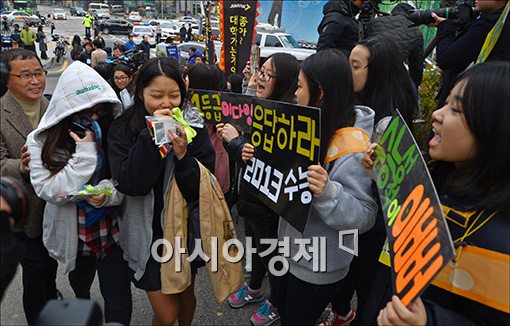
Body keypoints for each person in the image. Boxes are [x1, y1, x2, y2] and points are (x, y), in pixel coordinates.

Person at [371, 61, 510, 326]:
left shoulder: (499, 242)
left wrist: (428, 321)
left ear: (496, 128)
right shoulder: (439, 181)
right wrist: (380, 175)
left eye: (455, 109)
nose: (436, 114)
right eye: (445, 103)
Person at [256, 49, 377, 325]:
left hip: (320, 266)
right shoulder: (305, 124)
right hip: (289, 250)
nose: (295, 94)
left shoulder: (353, 147)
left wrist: (327, 192)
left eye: (299, 86)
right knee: (286, 314)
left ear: (319, 92)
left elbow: (365, 216)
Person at [319, 35, 419, 326]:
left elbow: (394, 189)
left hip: (374, 226)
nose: (347, 72)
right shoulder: (354, 105)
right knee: (346, 277)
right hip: (349, 215)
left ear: (375, 73)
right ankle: (341, 312)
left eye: (355, 66)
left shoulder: (389, 122)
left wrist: (376, 169)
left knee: (366, 285)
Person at [107, 57, 215, 325]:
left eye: (174, 95)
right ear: (140, 92)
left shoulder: (194, 126)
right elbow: (131, 184)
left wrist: (182, 156)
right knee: (167, 315)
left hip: (184, 230)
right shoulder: (124, 128)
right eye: (156, 96)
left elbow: (201, 188)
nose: (166, 104)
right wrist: (152, 135)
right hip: (147, 231)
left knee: (187, 295)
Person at [26, 61, 132, 325]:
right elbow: (48, 189)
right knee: (80, 283)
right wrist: (85, 154)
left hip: (112, 232)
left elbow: (127, 183)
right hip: (75, 234)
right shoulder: (40, 141)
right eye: (87, 112)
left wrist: (108, 195)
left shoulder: (112, 132)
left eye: (99, 112)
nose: (94, 119)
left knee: (117, 294)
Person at [218, 53, 300, 326]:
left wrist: (236, 143)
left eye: (266, 74)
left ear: (285, 80)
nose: (259, 78)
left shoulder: (287, 116)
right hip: (251, 197)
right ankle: (254, 288)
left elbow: (264, 158)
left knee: (271, 254)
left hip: (269, 204)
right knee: (254, 246)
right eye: (259, 71)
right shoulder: (264, 106)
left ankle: (276, 303)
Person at [0, 48, 58, 324]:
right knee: (34, 272)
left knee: (50, 267)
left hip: (56, 208)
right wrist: (20, 167)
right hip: (24, 213)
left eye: (39, 73)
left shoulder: (53, 107)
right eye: (25, 75)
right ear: (7, 79)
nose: (35, 80)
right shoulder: (1, 113)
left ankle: (51, 302)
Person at [432, 0, 510, 107]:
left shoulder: (489, 24)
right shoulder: (501, 22)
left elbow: (446, 59)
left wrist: (446, 26)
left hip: (467, 103)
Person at [365, 3, 424, 88]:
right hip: (389, 76)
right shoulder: (416, 33)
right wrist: (414, 85)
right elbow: (416, 66)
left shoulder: (375, 21)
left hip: (367, 68)